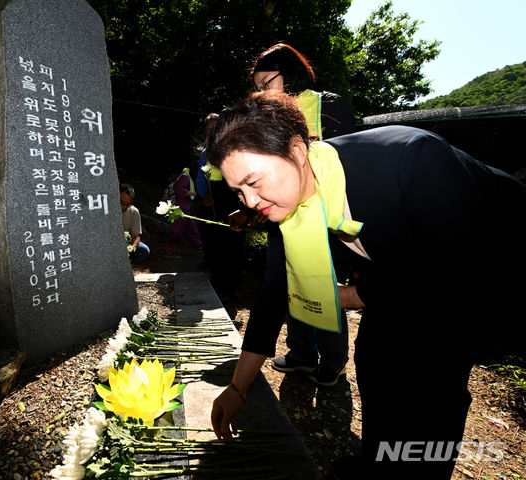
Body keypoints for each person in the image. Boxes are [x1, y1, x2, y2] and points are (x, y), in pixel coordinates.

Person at [208, 91, 525, 479]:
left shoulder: (411, 159)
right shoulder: (286, 210)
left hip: (484, 272)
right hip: (398, 277)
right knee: (376, 358)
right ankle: (378, 462)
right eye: (239, 192)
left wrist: (350, 296)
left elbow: (452, 269)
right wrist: (239, 386)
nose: (250, 201)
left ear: (297, 151)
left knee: (434, 386)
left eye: (253, 182)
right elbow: (273, 296)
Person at [247, 42, 356, 385]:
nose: (261, 92)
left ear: (289, 73)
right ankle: (301, 355)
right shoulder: (266, 114)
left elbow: (348, 160)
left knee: (323, 286)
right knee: (289, 286)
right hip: (284, 219)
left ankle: (333, 361)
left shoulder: (330, 105)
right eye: (257, 86)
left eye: (267, 83)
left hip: (324, 219)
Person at [195, 113, 247, 292]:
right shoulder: (206, 152)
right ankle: (219, 285)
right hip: (214, 198)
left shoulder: (235, 147)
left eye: (215, 127)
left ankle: (236, 285)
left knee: (235, 241)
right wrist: (204, 196)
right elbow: (201, 178)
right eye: (209, 128)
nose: (212, 131)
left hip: (233, 197)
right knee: (216, 241)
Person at [164, 167, 202, 258]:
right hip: (179, 208)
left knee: (191, 228)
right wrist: (194, 193)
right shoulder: (185, 176)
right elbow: (180, 190)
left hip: (185, 208)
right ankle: (170, 251)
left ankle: (200, 246)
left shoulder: (188, 176)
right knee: (176, 230)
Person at [120, 183, 149, 263]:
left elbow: (136, 236)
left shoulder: (134, 211)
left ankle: (128, 264)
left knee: (145, 251)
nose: (124, 206)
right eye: (121, 202)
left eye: (127, 204)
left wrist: (132, 250)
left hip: (126, 241)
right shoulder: (107, 208)